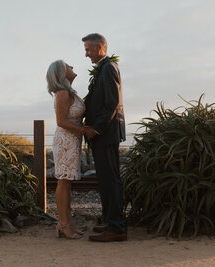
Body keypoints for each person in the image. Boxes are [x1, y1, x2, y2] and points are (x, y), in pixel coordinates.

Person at [82, 33, 127, 242]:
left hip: (106, 134)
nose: (86, 54)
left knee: (110, 181)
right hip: (105, 134)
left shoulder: (109, 68)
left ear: (100, 48)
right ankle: (111, 221)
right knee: (106, 181)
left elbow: (111, 103)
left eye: (88, 50)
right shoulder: (105, 68)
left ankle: (117, 228)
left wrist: (95, 129)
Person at [46, 60, 86, 239]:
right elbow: (61, 121)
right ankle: (63, 224)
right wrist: (85, 130)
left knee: (67, 183)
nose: (72, 67)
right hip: (65, 141)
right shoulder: (62, 93)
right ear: (62, 73)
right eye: (68, 66)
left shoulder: (69, 92)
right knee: (63, 181)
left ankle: (68, 223)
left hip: (73, 140)